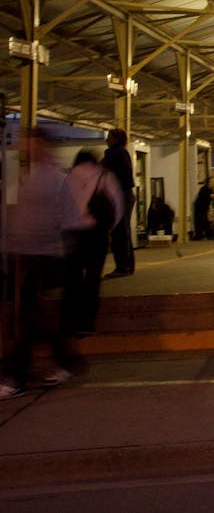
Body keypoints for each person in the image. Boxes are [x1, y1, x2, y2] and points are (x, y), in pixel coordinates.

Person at [1, 129, 90, 398]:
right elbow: (14, 218)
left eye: (31, 144)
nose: (27, 149)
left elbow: (70, 219)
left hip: (44, 256)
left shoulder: (56, 180)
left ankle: (17, 375)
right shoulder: (26, 178)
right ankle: (67, 360)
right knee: (32, 316)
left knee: (27, 317)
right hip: (26, 256)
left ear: (44, 146)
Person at [60, 150, 123, 339]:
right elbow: (117, 207)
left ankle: (70, 323)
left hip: (72, 234)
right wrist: (107, 228)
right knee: (93, 279)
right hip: (97, 234)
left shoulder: (68, 178)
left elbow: (60, 207)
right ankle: (87, 324)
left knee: (73, 279)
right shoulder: (105, 176)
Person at [102, 127, 136, 278]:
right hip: (125, 195)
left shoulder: (115, 153)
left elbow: (103, 171)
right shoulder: (121, 153)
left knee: (119, 233)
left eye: (109, 137)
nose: (107, 140)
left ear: (115, 139)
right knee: (123, 232)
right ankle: (127, 266)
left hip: (120, 196)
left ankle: (123, 267)